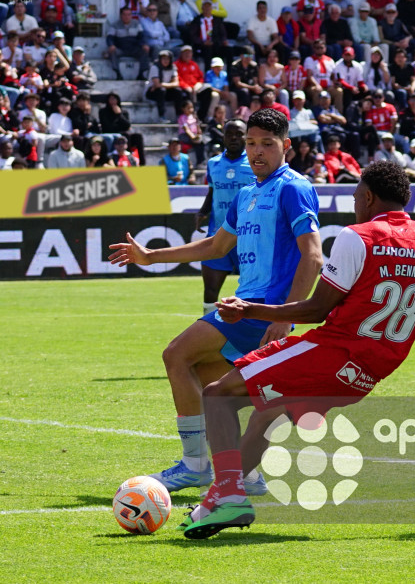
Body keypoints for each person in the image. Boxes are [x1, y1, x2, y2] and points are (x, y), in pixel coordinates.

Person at [153, 159, 415, 538]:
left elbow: (316, 308)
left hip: (332, 352)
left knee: (218, 396)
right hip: (369, 372)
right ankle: (219, 499)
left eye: (354, 197)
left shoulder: (357, 236)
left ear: (367, 197)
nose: (353, 205)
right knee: (265, 418)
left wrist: (251, 309)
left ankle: (227, 496)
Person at [108, 109, 323, 496]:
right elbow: (215, 246)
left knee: (176, 355)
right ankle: (248, 472)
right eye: (253, 143)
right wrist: (151, 257)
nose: (257, 152)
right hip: (244, 306)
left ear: (286, 146)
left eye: (267, 144)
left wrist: (285, 316)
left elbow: (313, 257)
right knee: (212, 384)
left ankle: (194, 466)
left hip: (262, 309)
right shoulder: (246, 194)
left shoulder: (293, 188)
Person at [194, 120, 254, 315]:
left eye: (239, 134)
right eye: (230, 134)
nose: (234, 138)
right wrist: (203, 211)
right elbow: (213, 191)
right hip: (217, 235)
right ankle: (205, 330)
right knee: (210, 291)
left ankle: (253, 333)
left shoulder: (255, 162)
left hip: (248, 237)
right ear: (223, 137)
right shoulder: (213, 164)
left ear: (247, 137)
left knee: (251, 292)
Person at [106, 6, 150, 81]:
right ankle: (118, 74)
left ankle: (141, 73)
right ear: (121, 15)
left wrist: (144, 44)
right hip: (121, 48)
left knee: (144, 51)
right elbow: (109, 37)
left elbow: (142, 36)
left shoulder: (136, 24)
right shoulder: (115, 25)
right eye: (124, 14)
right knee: (113, 51)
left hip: (134, 48)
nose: (127, 17)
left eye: (129, 14)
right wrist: (111, 45)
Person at [145, 50, 183, 123]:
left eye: (167, 59)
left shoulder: (173, 67)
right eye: (163, 58)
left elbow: (176, 83)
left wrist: (162, 85)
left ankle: (179, 116)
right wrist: (167, 85)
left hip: (165, 91)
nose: (166, 61)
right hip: (151, 92)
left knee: (178, 91)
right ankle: (162, 116)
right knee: (161, 91)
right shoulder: (154, 67)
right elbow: (156, 84)